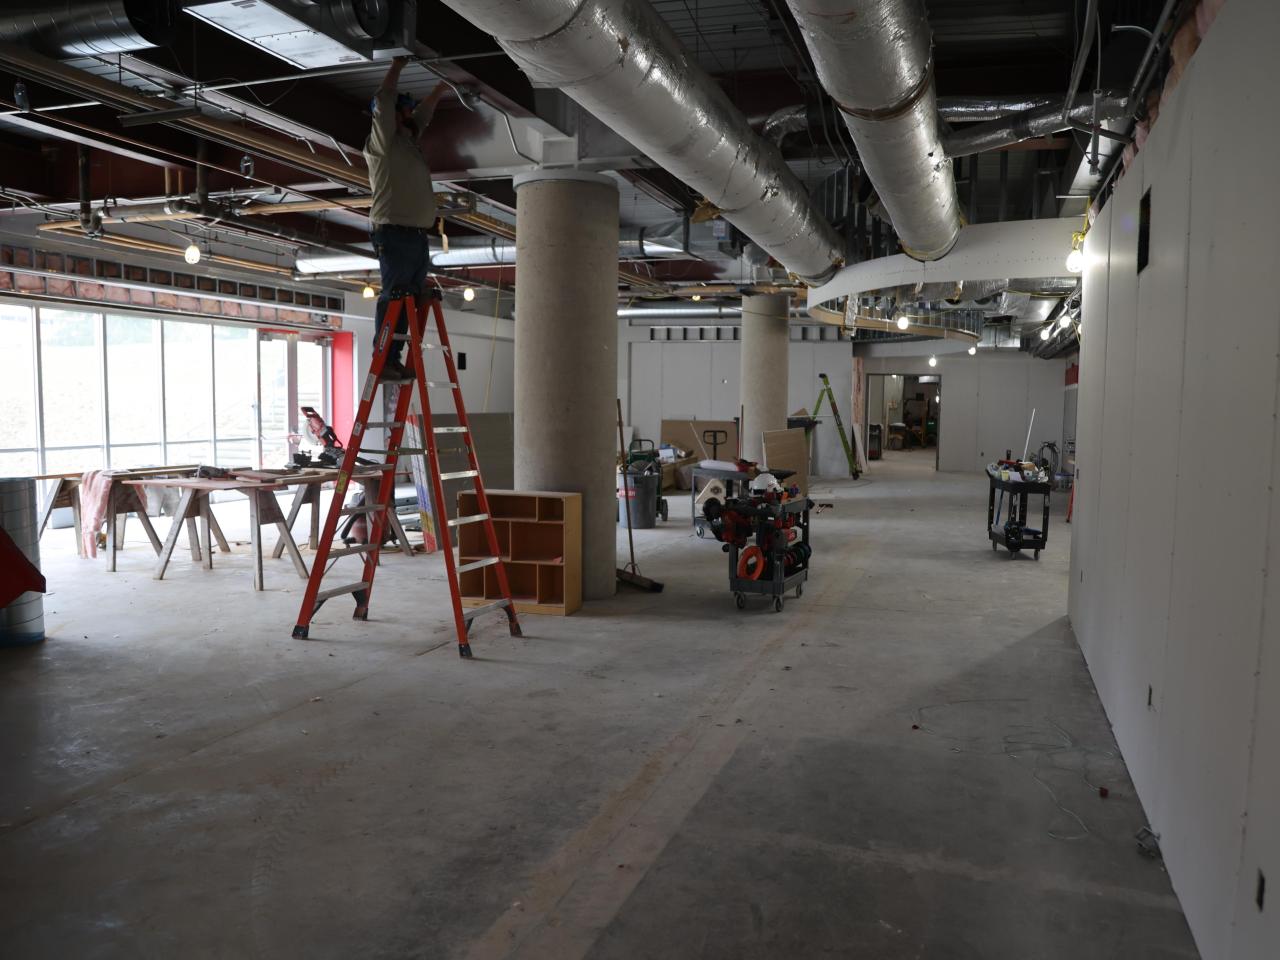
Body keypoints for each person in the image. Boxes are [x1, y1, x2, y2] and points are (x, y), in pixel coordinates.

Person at [364, 56, 446, 379]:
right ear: (394, 116)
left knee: (409, 299)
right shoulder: (382, 144)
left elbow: (422, 118)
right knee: (395, 296)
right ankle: (384, 358)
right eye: (405, 111)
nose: (411, 117)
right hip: (394, 233)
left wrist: (442, 88)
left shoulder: (407, 143)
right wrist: (397, 66)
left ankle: (393, 356)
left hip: (413, 236)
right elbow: (383, 103)